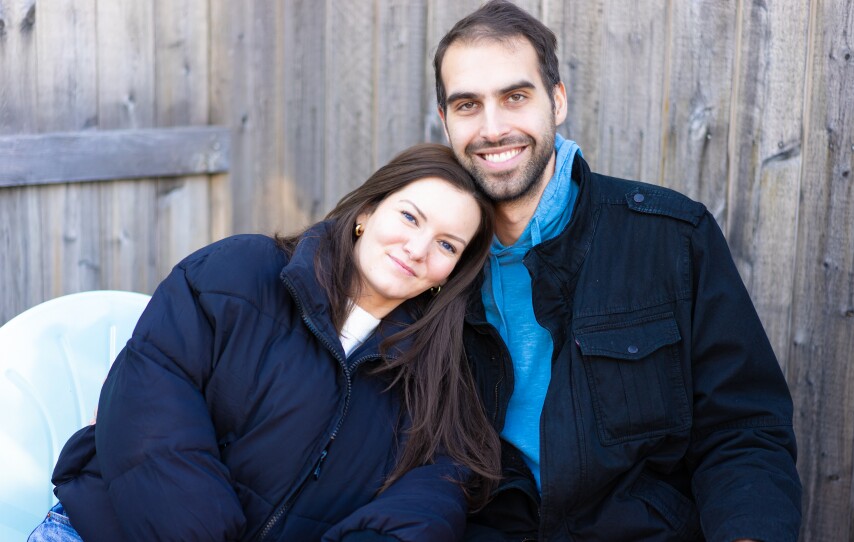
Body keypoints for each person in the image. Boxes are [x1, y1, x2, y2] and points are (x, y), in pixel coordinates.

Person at [432, 2, 802, 541]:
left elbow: (743, 429)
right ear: (445, 120)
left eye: (515, 97)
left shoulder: (671, 239)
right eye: (468, 105)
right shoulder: (431, 264)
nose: (493, 128)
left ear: (557, 101)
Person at [27, 143, 501, 542]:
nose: (417, 249)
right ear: (366, 212)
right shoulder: (237, 274)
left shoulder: (436, 373)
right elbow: (150, 409)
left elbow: (433, 496)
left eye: (446, 245)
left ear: (452, 273)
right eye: (410, 217)